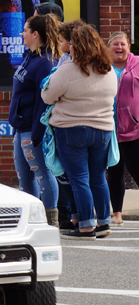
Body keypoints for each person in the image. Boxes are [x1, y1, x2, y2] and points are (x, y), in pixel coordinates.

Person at [41, 24, 117, 240]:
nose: (70, 47)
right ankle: (103, 222)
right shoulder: (109, 69)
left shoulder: (68, 70)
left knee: (79, 180)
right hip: (102, 130)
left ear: (79, 46)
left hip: (72, 130)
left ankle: (85, 226)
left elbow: (48, 97)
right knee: (98, 178)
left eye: (72, 44)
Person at [10, 14, 61, 226]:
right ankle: (30, 220)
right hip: (20, 127)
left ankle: (50, 220)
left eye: (25, 30)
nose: (22, 34)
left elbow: (44, 100)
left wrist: (37, 131)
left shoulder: (45, 63)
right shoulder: (30, 57)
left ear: (35, 34)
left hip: (33, 130)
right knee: (25, 177)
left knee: (42, 175)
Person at [53, 19, 85, 232]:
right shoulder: (67, 59)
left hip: (71, 124)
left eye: (64, 40)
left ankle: (82, 219)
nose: (61, 43)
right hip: (88, 124)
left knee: (75, 176)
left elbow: (50, 92)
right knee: (81, 176)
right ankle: (82, 217)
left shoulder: (68, 64)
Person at [106, 31, 139, 227]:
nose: (119, 48)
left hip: (133, 129)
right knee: (115, 171)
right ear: (109, 47)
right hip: (109, 129)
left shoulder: (136, 65)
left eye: (123, 44)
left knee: (136, 169)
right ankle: (116, 213)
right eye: (115, 44)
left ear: (129, 47)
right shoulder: (102, 67)